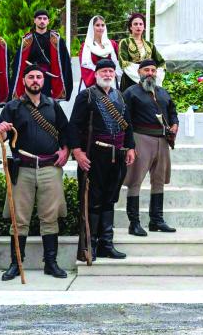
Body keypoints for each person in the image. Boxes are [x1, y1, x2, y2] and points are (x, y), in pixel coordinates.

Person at [0, 65, 71, 280]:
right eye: (31, 77)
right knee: (19, 219)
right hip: (23, 169)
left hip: (50, 168)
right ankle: (15, 264)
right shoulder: (12, 107)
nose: (35, 80)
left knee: (50, 217)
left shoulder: (53, 105)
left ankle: (51, 263)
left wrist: (65, 150)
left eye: (39, 77)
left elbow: (66, 131)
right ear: (24, 81)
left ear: (43, 81)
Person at [68, 59, 136, 258]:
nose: (107, 75)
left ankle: (106, 244)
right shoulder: (86, 95)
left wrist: (131, 147)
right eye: (104, 71)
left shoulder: (120, 96)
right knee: (93, 200)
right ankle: (90, 245)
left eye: (110, 72)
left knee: (109, 199)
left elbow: (127, 125)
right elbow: (74, 125)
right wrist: (77, 152)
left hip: (117, 155)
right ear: (96, 74)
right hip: (94, 156)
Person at [123, 59, 179, 236]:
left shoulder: (163, 92)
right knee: (135, 180)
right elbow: (125, 120)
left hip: (162, 140)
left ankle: (156, 220)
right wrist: (129, 145)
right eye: (146, 70)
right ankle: (134, 223)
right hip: (140, 138)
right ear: (139, 72)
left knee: (159, 180)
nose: (150, 73)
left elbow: (172, 112)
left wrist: (175, 124)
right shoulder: (130, 93)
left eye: (153, 70)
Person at [10, 9, 73, 101]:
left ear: (48, 21)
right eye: (39, 18)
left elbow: (65, 62)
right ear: (34, 20)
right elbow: (18, 64)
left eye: (44, 18)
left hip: (50, 79)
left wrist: (65, 85)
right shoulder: (27, 40)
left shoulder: (57, 39)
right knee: (31, 104)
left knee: (49, 104)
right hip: (32, 78)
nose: (42, 21)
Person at [117, 12, 166, 91]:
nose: (138, 26)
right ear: (130, 27)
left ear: (144, 27)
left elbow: (161, 62)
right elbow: (123, 62)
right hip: (130, 80)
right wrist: (141, 74)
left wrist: (157, 76)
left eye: (141, 24)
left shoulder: (150, 45)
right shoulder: (125, 42)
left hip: (148, 80)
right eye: (135, 24)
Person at [80, 15, 122, 90]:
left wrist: (111, 74)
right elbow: (85, 67)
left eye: (103, 25)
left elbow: (118, 63)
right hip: (93, 85)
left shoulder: (112, 44)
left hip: (110, 82)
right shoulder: (86, 46)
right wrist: (101, 76)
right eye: (97, 25)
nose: (100, 28)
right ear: (92, 27)